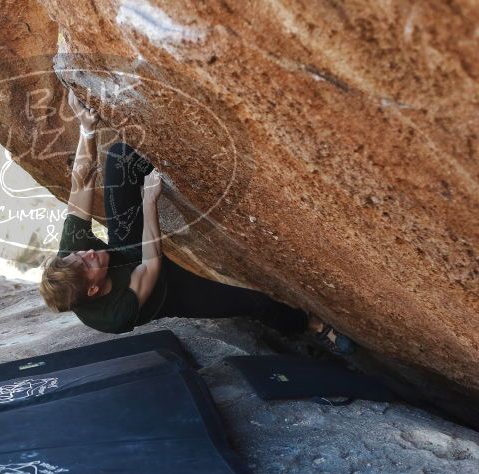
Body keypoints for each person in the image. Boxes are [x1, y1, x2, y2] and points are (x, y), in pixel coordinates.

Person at [40, 90, 355, 355]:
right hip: (168, 290)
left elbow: (80, 186)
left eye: (79, 254)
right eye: (87, 262)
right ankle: (310, 325)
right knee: (255, 303)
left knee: (120, 159)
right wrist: (149, 201)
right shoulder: (113, 315)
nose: (86, 253)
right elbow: (150, 265)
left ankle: (174, 143)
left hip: (127, 247)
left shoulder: (72, 258)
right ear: (94, 288)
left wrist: (87, 128)